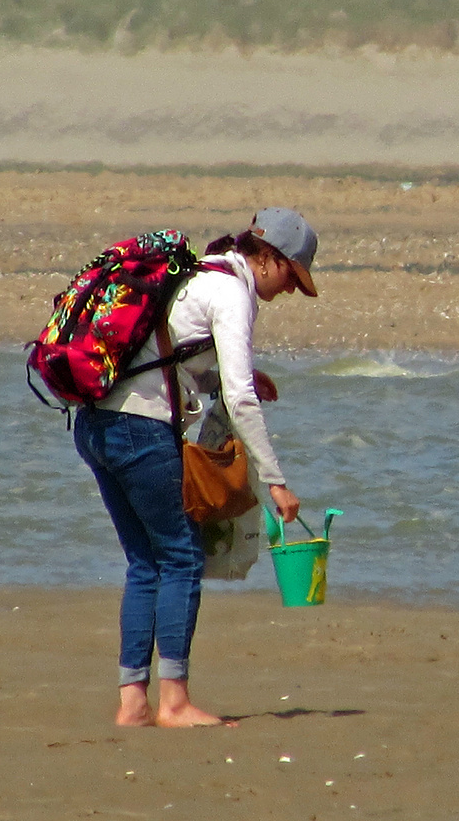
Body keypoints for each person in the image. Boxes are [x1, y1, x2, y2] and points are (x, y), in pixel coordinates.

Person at [74, 207, 317, 728]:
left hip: (94, 425)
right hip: (139, 431)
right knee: (182, 559)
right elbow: (241, 400)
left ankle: (133, 704)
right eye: (293, 277)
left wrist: (241, 374)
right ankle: (175, 703)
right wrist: (276, 482)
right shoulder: (232, 294)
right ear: (270, 258)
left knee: (145, 563)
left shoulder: (198, 273)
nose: (290, 291)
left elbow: (171, 363)